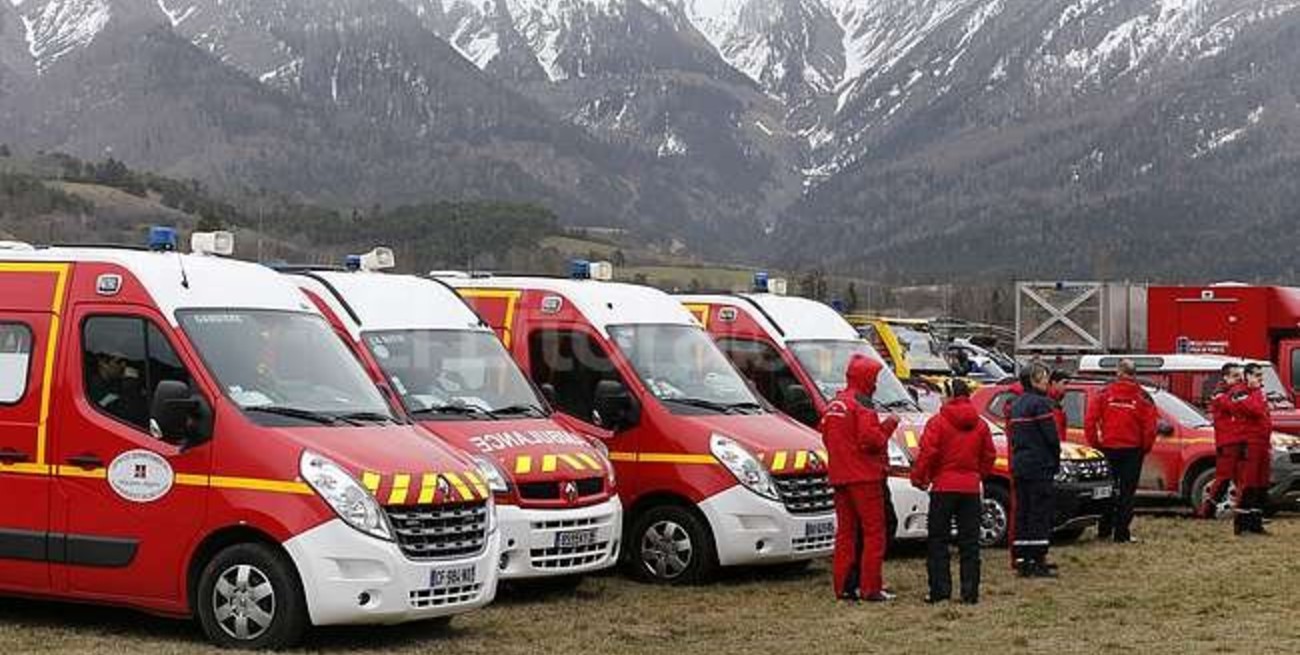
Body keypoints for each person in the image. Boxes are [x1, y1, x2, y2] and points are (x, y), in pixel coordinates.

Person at [822, 354, 899, 602]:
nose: (876, 384)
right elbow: (871, 441)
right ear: (866, 379)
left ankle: (843, 586)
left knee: (846, 534)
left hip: (840, 477)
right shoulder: (862, 404)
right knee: (874, 533)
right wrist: (889, 425)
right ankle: (870, 588)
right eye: (874, 378)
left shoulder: (835, 404)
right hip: (865, 478)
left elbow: (825, 435)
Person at [911, 380, 996, 604]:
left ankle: (940, 590)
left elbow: (928, 453)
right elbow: (989, 455)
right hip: (970, 488)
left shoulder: (937, 422)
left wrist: (919, 478)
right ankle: (970, 592)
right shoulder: (981, 424)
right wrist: (977, 475)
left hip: (943, 487)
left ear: (949, 396)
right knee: (970, 542)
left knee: (938, 540)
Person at [1084, 358, 1157, 543]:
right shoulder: (1143, 397)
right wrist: (1144, 448)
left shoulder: (1104, 393)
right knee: (1127, 493)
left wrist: (1096, 445)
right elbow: (1150, 428)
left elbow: (1090, 421)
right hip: (1132, 451)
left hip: (1108, 448)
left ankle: (1104, 529)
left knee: (1107, 490)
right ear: (1134, 374)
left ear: (1118, 372)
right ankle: (1121, 533)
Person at [1008, 362, 1060, 578]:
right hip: (1039, 465)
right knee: (1039, 512)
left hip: (1021, 464)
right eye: (1043, 377)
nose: (1047, 381)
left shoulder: (1017, 404)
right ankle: (1038, 558)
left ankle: (1023, 558)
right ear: (1033, 380)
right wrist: (1054, 460)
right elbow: (1051, 437)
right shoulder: (1041, 404)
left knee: (1024, 511)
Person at [1196, 363, 1245, 519]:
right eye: (1236, 376)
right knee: (1223, 478)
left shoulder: (1231, 393)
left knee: (1240, 478)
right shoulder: (1220, 395)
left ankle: (1242, 510)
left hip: (1237, 439)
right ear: (1226, 377)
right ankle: (1206, 511)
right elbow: (1234, 407)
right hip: (1227, 442)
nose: (1239, 379)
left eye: (1240, 376)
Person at [1233, 363, 1272, 535]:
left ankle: (1256, 523)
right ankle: (1242, 525)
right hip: (1249, 443)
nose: (1260, 379)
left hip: (1262, 443)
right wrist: (1257, 393)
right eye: (1257, 375)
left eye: (1261, 376)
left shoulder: (1257, 393)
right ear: (1247, 376)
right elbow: (1255, 410)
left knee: (1260, 484)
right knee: (1248, 484)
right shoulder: (1241, 393)